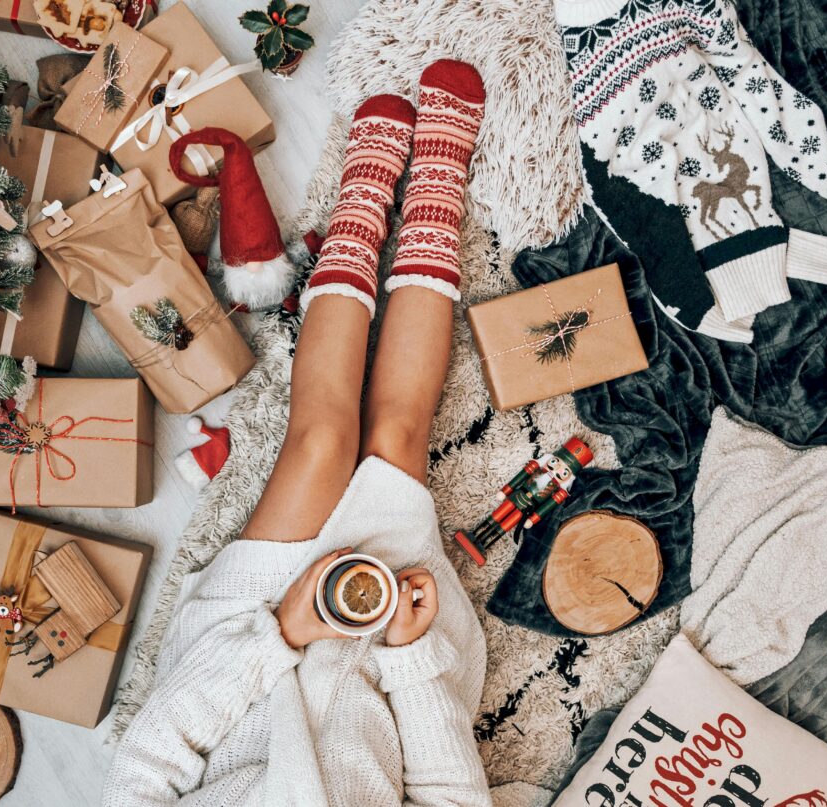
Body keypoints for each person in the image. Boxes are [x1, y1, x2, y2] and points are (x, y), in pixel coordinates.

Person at [104, 60, 490, 807]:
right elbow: (451, 794)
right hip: (385, 680)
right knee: (398, 438)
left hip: (246, 658)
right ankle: (439, 181)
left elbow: (146, 760)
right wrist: (410, 660)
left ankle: (363, 197)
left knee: (318, 445)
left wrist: (281, 629)